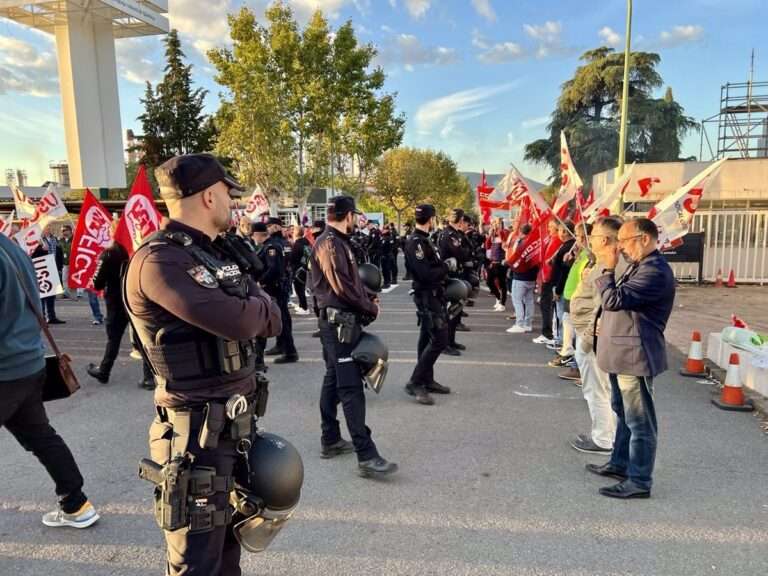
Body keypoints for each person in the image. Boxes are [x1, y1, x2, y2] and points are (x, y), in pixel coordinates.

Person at [125, 153, 282, 574]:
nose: (233, 201)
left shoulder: (210, 253)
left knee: (227, 554)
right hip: (195, 438)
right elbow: (242, 319)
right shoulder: (161, 260)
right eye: (228, 193)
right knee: (197, 564)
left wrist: (256, 307)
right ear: (209, 196)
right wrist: (256, 307)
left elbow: (268, 312)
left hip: (231, 428)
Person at [0, 232, 99, 529]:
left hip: (5, 368)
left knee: (41, 437)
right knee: (41, 437)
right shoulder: (11, 246)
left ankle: (76, 503)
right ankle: (76, 504)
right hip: (28, 361)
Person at [587, 217, 675, 499]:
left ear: (645, 239)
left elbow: (613, 299)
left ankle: (639, 480)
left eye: (625, 241)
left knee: (639, 421)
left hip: (634, 355)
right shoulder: (640, 266)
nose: (621, 248)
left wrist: (608, 268)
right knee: (623, 412)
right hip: (621, 353)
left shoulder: (655, 271)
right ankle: (620, 463)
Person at [310, 195, 397, 478]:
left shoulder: (335, 242)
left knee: (334, 379)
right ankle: (366, 455)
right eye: (354, 216)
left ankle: (331, 439)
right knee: (350, 389)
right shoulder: (331, 245)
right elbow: (343, 288)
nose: (356, 220)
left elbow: (353, 283)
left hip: (340, 322)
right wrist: (370, 307)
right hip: (339, 325)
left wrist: (369, 298)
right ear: (348, 215)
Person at [569, 216, 623, 454]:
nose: (590, 239)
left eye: (593, 236)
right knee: (604, 389)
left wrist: (586, 339)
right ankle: (608, 435)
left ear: (604, 239)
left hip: (593, 340)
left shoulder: (609, 267)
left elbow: (603, 309)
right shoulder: (602, 262)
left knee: (596, 390)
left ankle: (602, 440)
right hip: (591, 336)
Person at [86, 224, 155, 390]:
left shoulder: (109, 254)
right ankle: (149, 377)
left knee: (114, 339)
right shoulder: (136, 250)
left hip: (116, 302)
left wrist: (93, 281)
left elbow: (98, 282)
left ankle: (104, 371)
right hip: (135, 299)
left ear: (112, 232)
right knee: (141, 338)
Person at [403, 204, 452, 406]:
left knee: (426, 338)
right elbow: (424, 274)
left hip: (434, 294)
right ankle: (415, 382)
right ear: (431, 219)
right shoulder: (416, 242)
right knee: (440, 339)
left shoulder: (424, 240)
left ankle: (427, 379)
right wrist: (445, 268)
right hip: (426, 295)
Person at [262, 217, 299, 364]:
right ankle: (280, 345)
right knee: (284, 316)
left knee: (281, 318)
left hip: (276, 285)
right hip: (284, 284)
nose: (268, 229)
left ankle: (290, 351)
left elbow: (274, 269)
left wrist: (261, 281)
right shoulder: (285, 243)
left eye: (270, 226)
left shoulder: (273, 245)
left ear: (277, 227)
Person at [439, 209, 471, 355]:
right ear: (459, 219)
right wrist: (465, 252)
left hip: (456, 274)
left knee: (456, 310)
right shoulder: (449, 234)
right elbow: (461, 253)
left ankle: (451, 341)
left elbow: (465, 250)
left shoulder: (455, 233)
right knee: (450, 312)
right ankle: (445, 344)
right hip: (449, 275)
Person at [532, 219, 562, 345]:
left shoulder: (556, 241)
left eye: (551, 227)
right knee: (546, 306)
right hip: (546, 278)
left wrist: (547, 278)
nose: (548, 229)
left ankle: (547, 333)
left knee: (547, 307)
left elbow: (551, 264)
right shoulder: (551, 240)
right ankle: (548, 332)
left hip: (549, 280)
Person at [506, 224, 539, 333]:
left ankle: (519, 324)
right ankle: (527, 324)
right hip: (531, 276)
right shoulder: (536, 244)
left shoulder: (521, 243)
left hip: (520, 276)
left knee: (517, 300)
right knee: (529, 300)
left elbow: (514, 256)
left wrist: (508, 263)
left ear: (521, 232)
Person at [33, 230, 65, 324]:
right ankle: (41, 317)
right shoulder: (36, 240)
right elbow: (31, 253)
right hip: (41, 269)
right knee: (42, 294)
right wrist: (41, 249)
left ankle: (52, 316)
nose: (48, 228)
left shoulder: (54, 239)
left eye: (49, 226)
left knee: (51, 294)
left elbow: (59, 252)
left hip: (53, 267)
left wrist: (59, 266)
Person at [485, 217, 509, 312]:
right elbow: (487, 246)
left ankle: (502, 303)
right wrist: (490, 234)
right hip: (493, 262)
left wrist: (499, 231)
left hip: (501, 262)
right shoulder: (493, 235)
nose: (495, 225)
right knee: (489, 282)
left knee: (502, 283)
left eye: (497, 223)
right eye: (494, 223)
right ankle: (498, 298)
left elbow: (505, 242)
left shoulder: (505, 233)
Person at [289, 224, 311, 315]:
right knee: (301, 288)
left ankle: (304, 307)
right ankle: (302, 306)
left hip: (297, 269)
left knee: (299, 289)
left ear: (296, 233)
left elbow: (292, 258)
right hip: (305, 268)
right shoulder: (306, 242)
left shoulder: (297, 244)